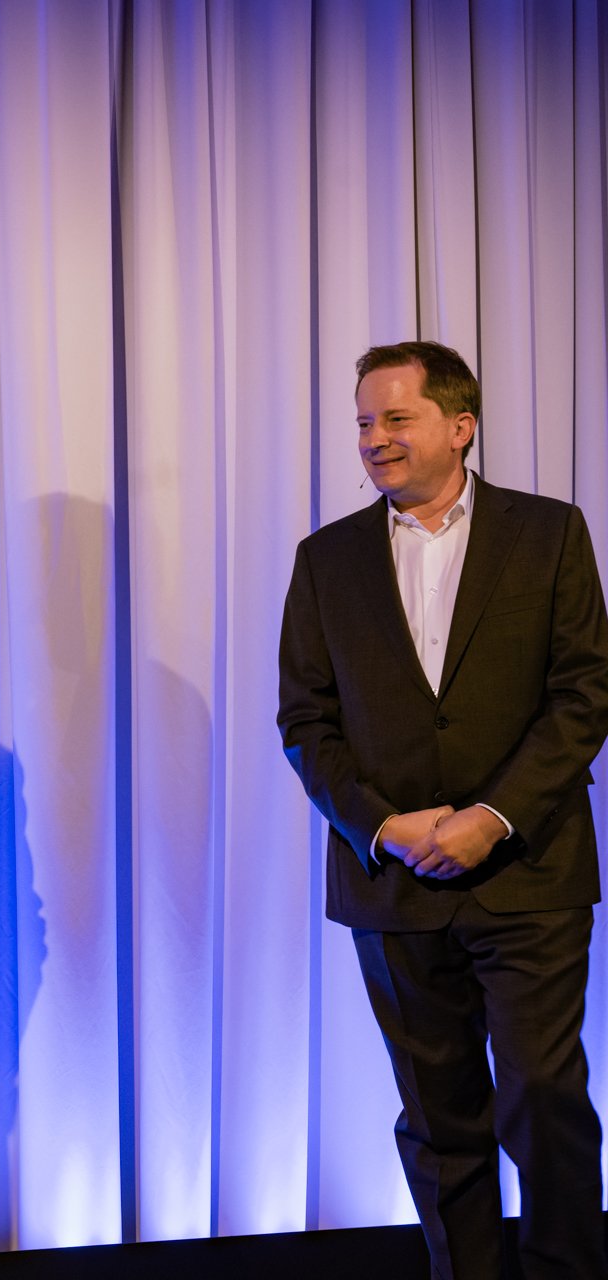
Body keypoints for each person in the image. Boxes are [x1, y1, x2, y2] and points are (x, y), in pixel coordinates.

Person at [279, 340, 608, 1279]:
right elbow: (305, 719)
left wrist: (491, 817)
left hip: (528, 871)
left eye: (396, 418)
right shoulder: (325, 559)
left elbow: (584, 693)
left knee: (543, 1097)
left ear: (460, 426)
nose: (373, 439)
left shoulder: (549, 533)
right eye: (363, 423)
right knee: (437, 1115)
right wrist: (382, 826)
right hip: (393, 883)